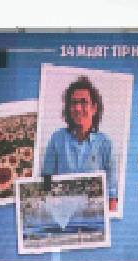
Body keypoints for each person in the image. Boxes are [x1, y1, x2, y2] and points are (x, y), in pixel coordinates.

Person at [41, 76, 118, 211]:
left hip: (93, 214)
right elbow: (46, 180)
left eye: (83, 102)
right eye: (73, 103)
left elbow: (112, 193)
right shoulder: (57, 139)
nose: (77, 108)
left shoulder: (106, 144)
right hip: (62, 214)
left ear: (94, 108)